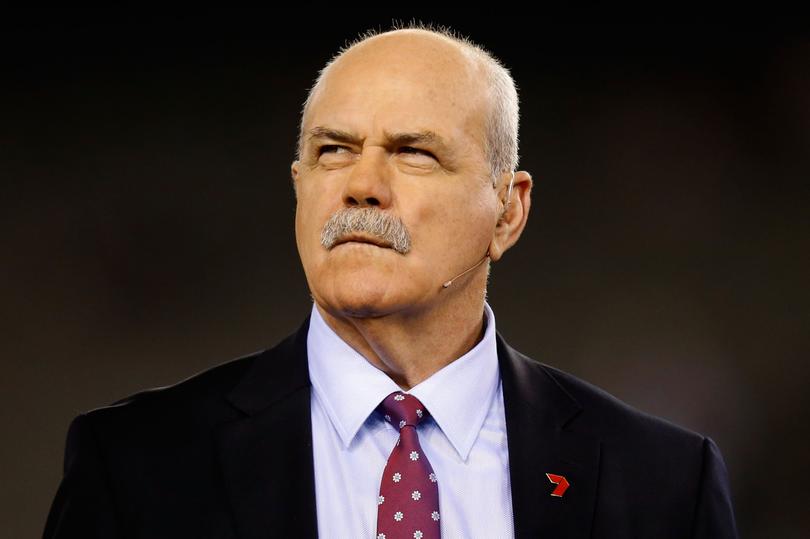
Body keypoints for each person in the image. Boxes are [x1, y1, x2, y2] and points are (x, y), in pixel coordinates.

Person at [43, 23, 738, 538]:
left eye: (414, 153)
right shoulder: (135, 466)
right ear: (298, 188)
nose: (361, 185)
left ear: (508, 209)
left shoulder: (662, 485)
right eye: (332, 151)